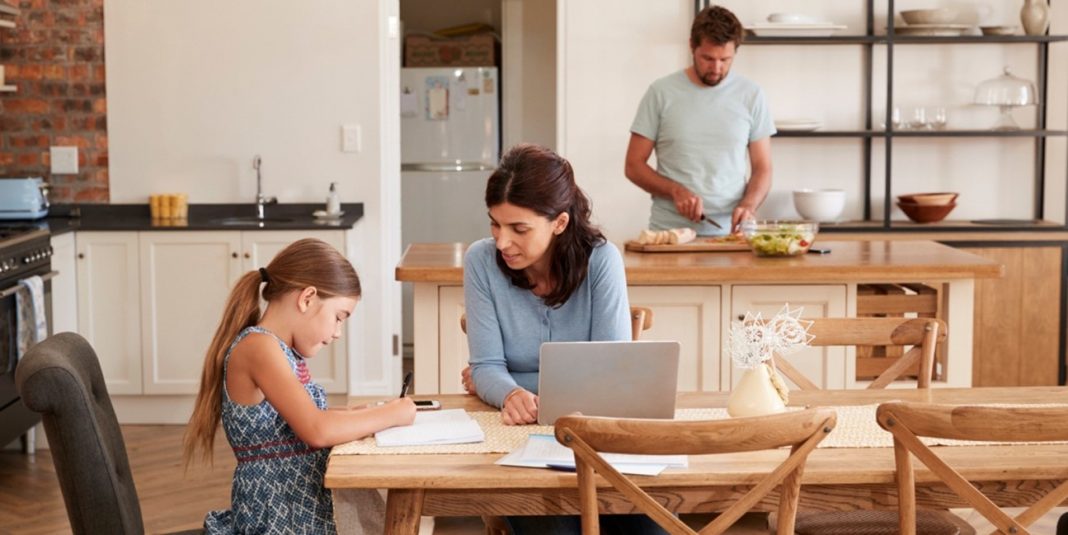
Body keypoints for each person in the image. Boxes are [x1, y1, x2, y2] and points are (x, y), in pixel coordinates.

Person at [463, 143, 665, 535]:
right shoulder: (481, 261)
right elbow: (486, 366)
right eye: (495, 224)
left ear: (559, 223)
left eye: (519, 229)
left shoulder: (601, 260)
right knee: (557, 528)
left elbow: (611, 376)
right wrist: (505, 392)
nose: (502, 242)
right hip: (516, 441)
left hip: (596, 438)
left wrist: (509, 384)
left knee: (651, 530)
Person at [183, 238, 415, 534]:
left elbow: (295, 425)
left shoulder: (278, 350)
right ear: (307, 298)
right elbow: (316, 430)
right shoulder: (259, 348)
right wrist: (395, 414)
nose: (338, 333)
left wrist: (358, 414)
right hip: (282, 515)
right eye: (338, 318)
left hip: (296, 504)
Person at [625, 4, 775, 235]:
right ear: (691, 46)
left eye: (725, 59)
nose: (716, 68)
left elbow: (763, 168)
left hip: (732, 235)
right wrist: (675, 190)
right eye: (708, 58)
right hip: (670, 234)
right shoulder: (661, 92)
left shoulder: (751, 95)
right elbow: (633, 165)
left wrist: (748, 205)